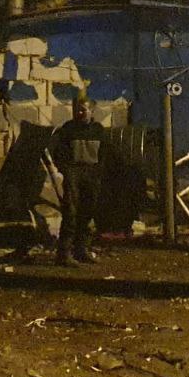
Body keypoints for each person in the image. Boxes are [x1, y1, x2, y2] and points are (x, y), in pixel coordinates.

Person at [48, 95, 108, 266]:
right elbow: (57, 151)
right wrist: (65, 169)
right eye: (77, 110)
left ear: (92, 111)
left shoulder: (98, 130)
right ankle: (64, 254)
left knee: (87, 212)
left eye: (83, 110)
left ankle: (82, 250)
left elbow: (104, 153)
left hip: (91, 174)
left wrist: (98, 171)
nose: (79, 113)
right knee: (71, 212)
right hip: (73, 172)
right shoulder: (68, 129)